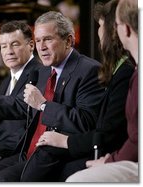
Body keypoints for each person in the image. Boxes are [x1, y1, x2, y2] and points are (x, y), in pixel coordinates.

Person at [0, 11, 104, 182]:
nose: (41, 47)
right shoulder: (45, 71)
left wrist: (43, 105)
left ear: (68, 41)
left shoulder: (89, 70)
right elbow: (17, 105)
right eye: (38, 40)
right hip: (29, 152)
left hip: (57, 153)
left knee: (3, 180)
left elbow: (86, 121)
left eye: (48, 39)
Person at [34, 0, 136, 181]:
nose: (98, 32)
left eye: (100, 26)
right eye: (38, 41)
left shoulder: (118, 71)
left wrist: (64, 140)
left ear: (117, 30)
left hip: (112, 155)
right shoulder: (41, 72)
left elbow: (107, 132)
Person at [65, 0, 138, 182]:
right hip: (117, 152)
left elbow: (121, 135)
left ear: (123, 29)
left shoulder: (127, 71)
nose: (98, 32)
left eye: (100, 26)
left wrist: (111, 160)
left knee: (72, 177)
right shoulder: (126, 69)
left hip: (121, 155)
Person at [0, 20, 41, 163]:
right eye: (4, 46)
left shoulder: (39, 74)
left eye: (15, 44)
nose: (9, 51)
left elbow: (24, 129)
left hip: (18, 155)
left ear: (31, 45)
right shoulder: (7, 80)